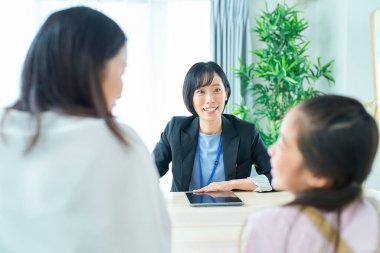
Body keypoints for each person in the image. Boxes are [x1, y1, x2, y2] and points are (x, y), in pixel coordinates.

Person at [0, 7, 170, 253]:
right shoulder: (117, 144)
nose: (121, 90)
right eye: (121, 71)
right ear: (91, 70)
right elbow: (152, 243)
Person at [243, 95, 380, 253]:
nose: (271, 150)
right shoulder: (374, 212)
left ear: (318, 175)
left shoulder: (270, 226)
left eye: (283, 143)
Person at [153, 61, 272, 192]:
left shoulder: (246, 132)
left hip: (231, 210)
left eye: (217, 90)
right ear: (190, 97)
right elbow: (149, 171)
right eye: (200, 91)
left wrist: (231, 185)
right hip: (184, 209)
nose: (210, 99)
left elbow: (275, 176)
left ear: (226, 93)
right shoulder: (175, 128)